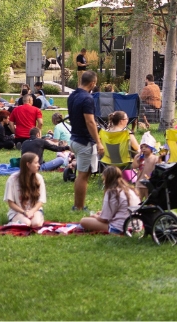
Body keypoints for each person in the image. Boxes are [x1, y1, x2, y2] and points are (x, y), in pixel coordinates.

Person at [68, 70, 104, 212]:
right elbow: (90, 122)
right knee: (83, 175)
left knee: (81, 174)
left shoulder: (72, 95)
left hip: (74, 138)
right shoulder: (88, 99)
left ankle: (77, 205)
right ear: (93, 83)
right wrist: (99, 142)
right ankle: (79, 207)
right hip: (84, 141)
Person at [78, 165, 140, 234]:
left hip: (120, 228)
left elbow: (104, 219)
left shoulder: (112, 192)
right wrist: (102, 213)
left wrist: (95, 216)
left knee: (83, 221)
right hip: (136, 226)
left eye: (104, 179)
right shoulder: (130, 190)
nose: (103, 182)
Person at [4, 152, 46, 228]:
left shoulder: (39, 178)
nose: (39, 165)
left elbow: (41, 201)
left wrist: (32, 211)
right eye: (36, 162)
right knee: (26, 224)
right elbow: (11, 203)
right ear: (28, 164)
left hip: (35, 210)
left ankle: (38, 217)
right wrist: (24, 212)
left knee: (36, 224)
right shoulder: (12, 179)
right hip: (17, 212)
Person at [131, 133, 159, 199]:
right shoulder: (140, 158)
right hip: (139, 183)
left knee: (150, 202)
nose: (143, 149)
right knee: (136, 201)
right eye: (142, 147)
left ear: (152, 148)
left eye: (146, 147)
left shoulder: (155, 158)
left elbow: (158, 167)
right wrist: (136, 159)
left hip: (150, 185)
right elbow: (134, 167)